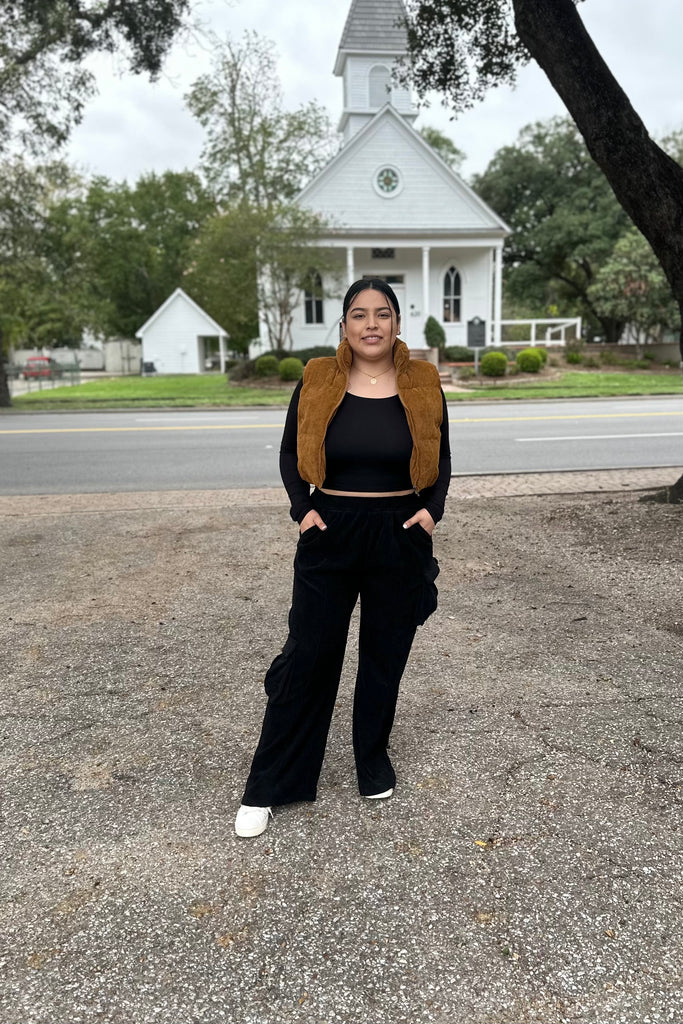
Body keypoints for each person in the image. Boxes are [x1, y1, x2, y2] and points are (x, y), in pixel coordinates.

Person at [234, 278, 451, 837]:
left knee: (385, 655)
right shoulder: (316, 377)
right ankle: (270, 784)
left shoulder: (424, 380)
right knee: (308, 655)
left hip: (400, 533)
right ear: (345, 324)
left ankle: (371, 760)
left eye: (382, 314)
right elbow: (290, 450)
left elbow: (442, 455)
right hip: (330, 529)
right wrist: (301, 509)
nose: (371, 324)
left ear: (397, 323)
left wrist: (432, 512)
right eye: (359, 314)